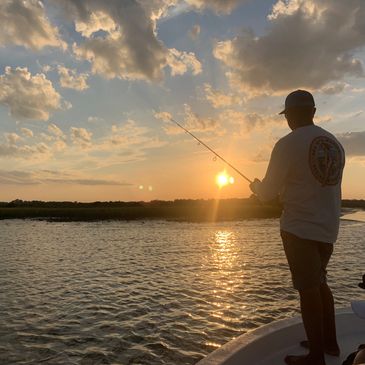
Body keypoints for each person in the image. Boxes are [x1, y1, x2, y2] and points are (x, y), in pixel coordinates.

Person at [249, 90, 345, 365]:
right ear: (313, 112)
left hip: (299, 230)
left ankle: (316, 356)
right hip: (329, 229)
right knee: (320, 283)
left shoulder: (286, 144)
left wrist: (256, 187)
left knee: (309, 290)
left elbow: (267, 193)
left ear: (289, 115)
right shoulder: (336, 143)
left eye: (287, 115)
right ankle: (329, 343)